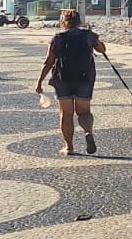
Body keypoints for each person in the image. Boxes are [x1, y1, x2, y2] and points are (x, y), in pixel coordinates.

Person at [35, 9, 108, 156]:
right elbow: (102, 49)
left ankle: (69, 147)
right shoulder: (88, 35)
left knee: (66, 114)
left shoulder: (58, 38)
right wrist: (92, 36)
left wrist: (39, 82)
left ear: (64, 22)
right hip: (84, 78)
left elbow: (49, 61)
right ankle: (88, 131)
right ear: (79, 22)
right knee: (84, 112)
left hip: (63, 79)